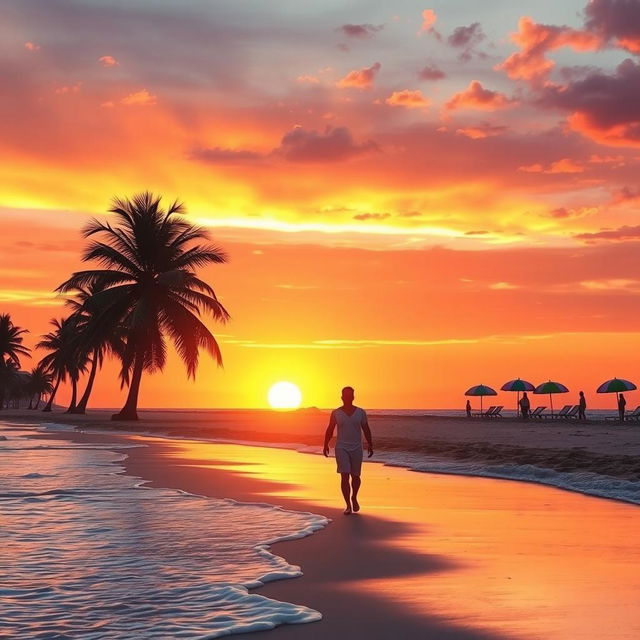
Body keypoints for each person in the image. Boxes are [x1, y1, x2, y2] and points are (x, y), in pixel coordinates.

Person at [323, 386, 374, 515]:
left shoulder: (361, 412)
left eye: (350, 396)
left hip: (357, 448)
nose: (348, 398)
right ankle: (348, 505)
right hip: (341, 448)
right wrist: (325, 444)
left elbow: (366, 429)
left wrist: (370, 444)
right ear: (342, 398)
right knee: (344, 475)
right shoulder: (336, 413)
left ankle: (354, 497)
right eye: (345, 396)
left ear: (353, 397)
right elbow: (330, 429)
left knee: (356, 477)